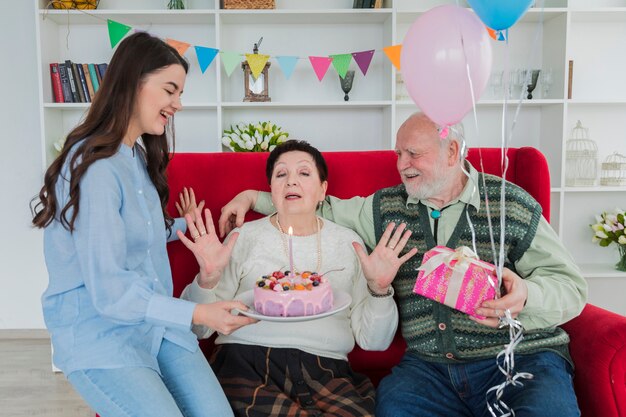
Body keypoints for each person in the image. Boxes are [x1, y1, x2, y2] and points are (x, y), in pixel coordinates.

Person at [217, 113, 588, 417]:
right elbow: (317, 206)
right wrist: (252, 196)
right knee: (394, 406)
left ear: (452, 151)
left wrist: (526, 295)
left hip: (519, 360)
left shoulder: (510, 203)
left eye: (413, 154)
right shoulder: (384, 207)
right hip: (428, 371)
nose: (401, 165)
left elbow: (571, 286)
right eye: (398, 154)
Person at [30, 32, 255, 417]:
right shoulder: (96, 168)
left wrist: (185, 228)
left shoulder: (135, 157)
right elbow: (111, 291)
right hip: (100, 335)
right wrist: (200, 314)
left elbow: (141, 231)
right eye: (170, 90)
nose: (178, 104)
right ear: (133, 81)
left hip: (155, 328)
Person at [178, 139, 417, 417]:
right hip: (246, 362)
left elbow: (374, 341)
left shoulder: (349, 243)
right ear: (271, 190)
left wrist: (379, 288)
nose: (291, 181)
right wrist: (206, 279)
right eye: (281, 174)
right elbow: (199, 330)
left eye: (304, 173)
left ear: (323, 190)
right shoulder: (242, 238)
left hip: (327, 371)